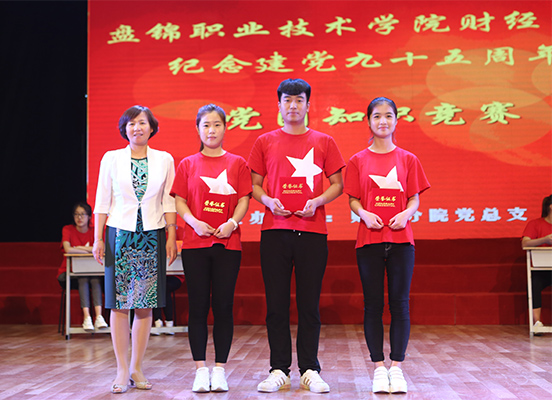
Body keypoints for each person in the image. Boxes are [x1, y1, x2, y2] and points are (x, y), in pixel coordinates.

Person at [248, 79, 345, 393]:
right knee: (276, 305)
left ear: (308, 105)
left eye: (299, 100)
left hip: (312, 232)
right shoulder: (264, 141)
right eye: (287, 100)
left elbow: (338, 184)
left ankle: (309, 369)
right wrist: (267, 201)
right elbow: (254, 185)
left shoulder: (324, 141)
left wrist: (317, 201)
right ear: (279, 105)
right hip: (274, 232)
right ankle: (279, 369)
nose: (293, 106)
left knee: (309, 305)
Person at [344, 97, 430, 394]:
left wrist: (406, 214)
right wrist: (364, 213)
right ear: (368, 121)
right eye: (377, 116)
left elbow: (414, 198)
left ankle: (397, 368)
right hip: (369, 240)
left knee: (400, 304)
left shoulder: (408, 159)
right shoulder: (357, 160)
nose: (383, 121)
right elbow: (353, 199)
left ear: (396, 120)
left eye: (389, 116)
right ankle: (379, 368)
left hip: (401, 240)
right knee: (373, 305)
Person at [92, 105, 177, 394]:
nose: (136, 128)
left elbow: (168, 200)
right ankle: (120, 369)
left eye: (142, 123)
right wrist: (98, 238)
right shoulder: (111, 158)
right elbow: (102, 200)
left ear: (152, 127)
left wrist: (171, 235)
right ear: (124, 129)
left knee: (145, 303)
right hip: (119, 233)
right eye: (131, 124)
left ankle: (136, 367)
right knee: (119, 304)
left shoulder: (164, 159)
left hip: (152, 233)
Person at [171, 104, 251, 393]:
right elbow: (180, 200)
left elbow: (244, 199)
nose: (212, 130)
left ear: (225, 128)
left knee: (223, 306)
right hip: (195, 245)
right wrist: (193, 222)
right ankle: (200, 369)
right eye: (206, 125)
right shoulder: (187, 164)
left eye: (217, 125)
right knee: (198, 306)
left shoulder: (238, 163)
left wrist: (232, 223)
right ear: (198, 129)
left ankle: (220, 370)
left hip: (228, 244)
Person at [57, 202, 107, 331]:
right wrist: (90, 249)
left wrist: (79, 248)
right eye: (77, 214)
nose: (79, 218)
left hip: (93, 271)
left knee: (94, 279)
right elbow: (68, 249)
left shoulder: (95, 231)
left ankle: (99, 317)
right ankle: (87, 317)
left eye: (83, 214)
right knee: (83, 278)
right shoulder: (68, 229)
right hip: (69, 272)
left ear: (89, 217)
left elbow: (102, 248)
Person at [521, 194, 552, 334]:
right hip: (541, 269)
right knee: (533, 284)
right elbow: (525, 243)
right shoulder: (535, 224)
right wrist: (544, 240)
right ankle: (537, 323)